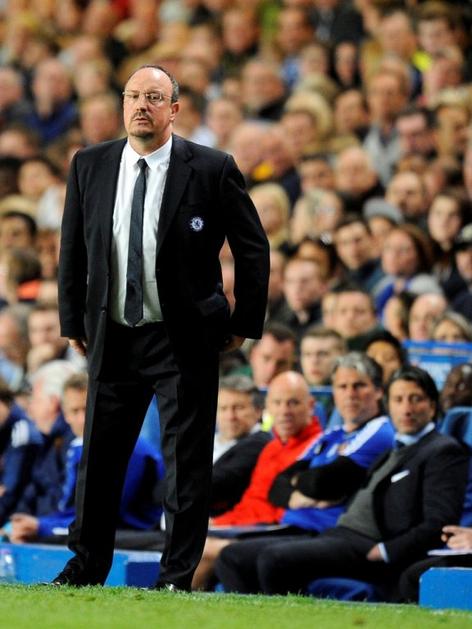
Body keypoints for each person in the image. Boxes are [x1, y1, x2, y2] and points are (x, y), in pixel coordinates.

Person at [54, 64, 270, 590]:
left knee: (186, 464)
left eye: (153, 97)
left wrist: (243, 321)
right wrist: (72, 319)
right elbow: (73, 249)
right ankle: (84, 569)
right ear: (122, 104)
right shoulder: (90, 164)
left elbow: (252, 246)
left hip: (184, 338)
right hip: (113, 334)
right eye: (133, 96)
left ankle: (176, 577)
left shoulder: (212, 167)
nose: (141, 106)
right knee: (99, 461)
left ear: (174, 109)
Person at [215, 365, 469, 596]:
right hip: (339, 533)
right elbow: (278, 487)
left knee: (274, 559)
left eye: (416, 399)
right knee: (231, 557)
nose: (407, 409)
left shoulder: (442, 450)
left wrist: (386, 550)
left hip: (368, 543)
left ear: (432, 406)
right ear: (389, 404)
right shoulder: (392, 450)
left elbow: (439, 522)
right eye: (399, 400)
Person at [192, 370, 322, 590]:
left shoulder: (318, 446)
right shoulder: (272, 448)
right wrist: (222, 522)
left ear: (310, 406)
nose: (284, 411)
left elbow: (278, 508)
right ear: (268, 408)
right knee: (193, 541)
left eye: (293, 403)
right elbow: (254, 501)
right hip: (256, 526)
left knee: (203, 549)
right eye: (277, 403)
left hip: (288, 529)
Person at [9, 373, 164, 544]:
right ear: (66, 415)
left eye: (88, 409)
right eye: (75, 411)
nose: (83, 419)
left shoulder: (128, 449)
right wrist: (36, 524)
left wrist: (42, 527)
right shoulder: (77, 447)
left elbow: (101, 516)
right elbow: (74, 511)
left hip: (134, 536)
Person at [211, 375, 271, 516]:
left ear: (258, 411)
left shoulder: (259, 443)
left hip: (222, 522)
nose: (230, 416)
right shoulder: (208, 442)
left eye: (238, 408)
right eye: (223, 409)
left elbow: (218, 485)